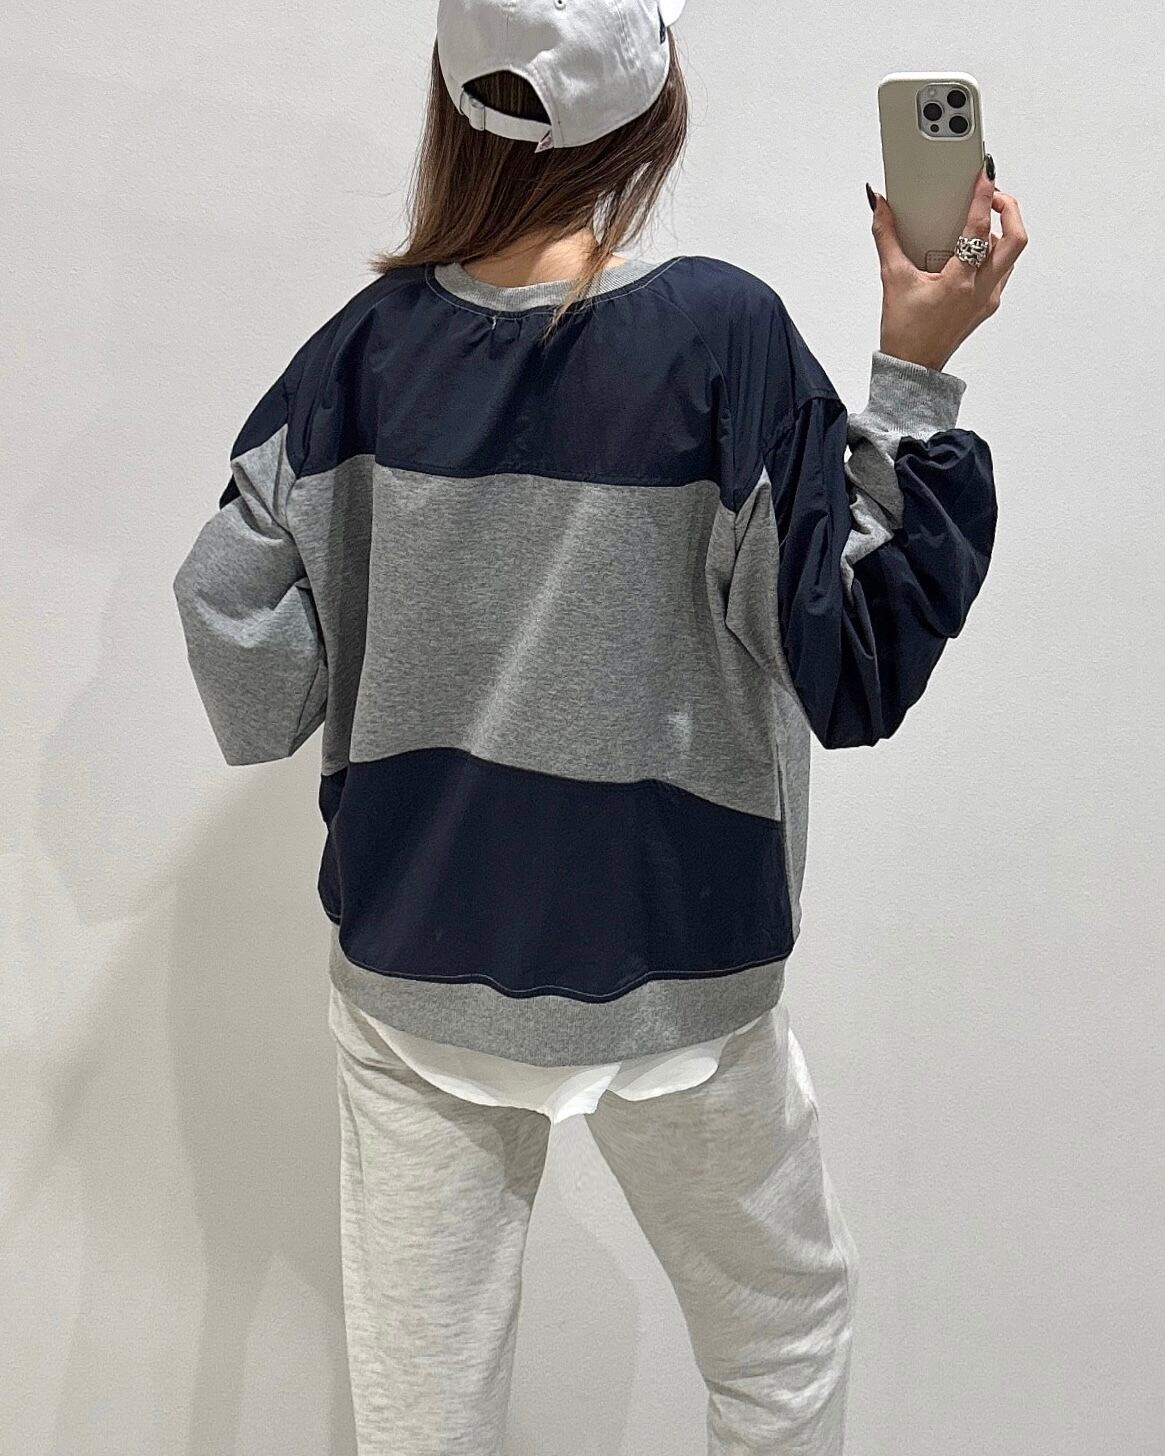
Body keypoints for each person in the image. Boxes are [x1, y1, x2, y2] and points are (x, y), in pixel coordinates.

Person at [171, 1, 1028, 1450]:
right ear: (655, 105)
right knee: (781, 1340)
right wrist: (915, 368)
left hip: (417, 968)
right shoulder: (722, 338)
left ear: (455, 104)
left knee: (424, 1411)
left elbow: (244, 671)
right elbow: (857, 662)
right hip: (676, 958)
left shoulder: (357, 358)